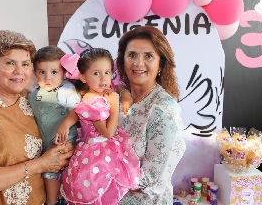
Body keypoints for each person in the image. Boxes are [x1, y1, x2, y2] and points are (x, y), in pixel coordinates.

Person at [0, 30, 74, 205]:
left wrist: (66, 147)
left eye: (25, 64)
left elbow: (60, 128)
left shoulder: (31, 99)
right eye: (10, 63)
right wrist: (42, 164)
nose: (19, 71)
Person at [55, 48, 141, 205]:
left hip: (101, 151)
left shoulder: (96, 94)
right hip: (98, 155)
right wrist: (115, 104)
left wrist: (66, 123)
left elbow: (76, 111)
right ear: (83, 77)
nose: (104, 79)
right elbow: (108, 132)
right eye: (96, 73)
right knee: (102, 194)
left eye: (107, 72)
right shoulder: (93, 102)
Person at [116, 26, 186, 205]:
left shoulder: (163, 110)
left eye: (148, 56)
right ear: (123, 61)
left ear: (161, 64)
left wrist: (101, 171)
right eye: (131, 55)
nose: (138, 63)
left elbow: (151, 179)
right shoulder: (115, 100)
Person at [28, 46, 81, 205]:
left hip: (64, 140)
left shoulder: (65, 90)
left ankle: (52, 202)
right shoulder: (33, 93)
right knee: (48, 172)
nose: (47, 78)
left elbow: (79, 109)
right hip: (46, 142)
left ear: (64, 73)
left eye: (54, 72)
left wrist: (66, 123)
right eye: (42, 72)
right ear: (34, 73)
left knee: (52, 171)